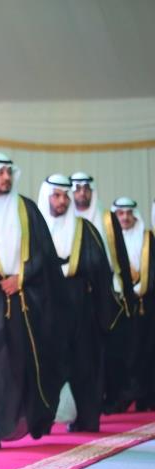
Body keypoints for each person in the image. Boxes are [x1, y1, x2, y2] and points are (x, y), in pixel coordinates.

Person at [0, 153, 70, 449]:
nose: (6, 177)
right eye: (0, 173)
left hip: (24, 299)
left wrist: (22, 277)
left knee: (23, 363)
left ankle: (31, 419)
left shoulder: (27, 209)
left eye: (9, 172)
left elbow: (45, 254)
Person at [37, 174, 114, 431]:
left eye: (65, 196)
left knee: (84, 364)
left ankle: (87, 420)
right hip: (47, 308)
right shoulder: (35, 229)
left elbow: (100, 268)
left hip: (81, 307)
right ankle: (43, 421)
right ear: (47, 197)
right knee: (48, 365)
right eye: (56, 196)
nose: (62, 201)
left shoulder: (84, 229)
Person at [111, 197, 155, 409]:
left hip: (145, 306)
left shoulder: (148, 239)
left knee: (146, 351)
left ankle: (146, 397)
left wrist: (139, 289)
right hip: (119, 306)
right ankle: (122, 396)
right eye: (120, 213)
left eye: (129, 213)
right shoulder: (109, 240)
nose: (125, 217)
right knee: (122, 352)